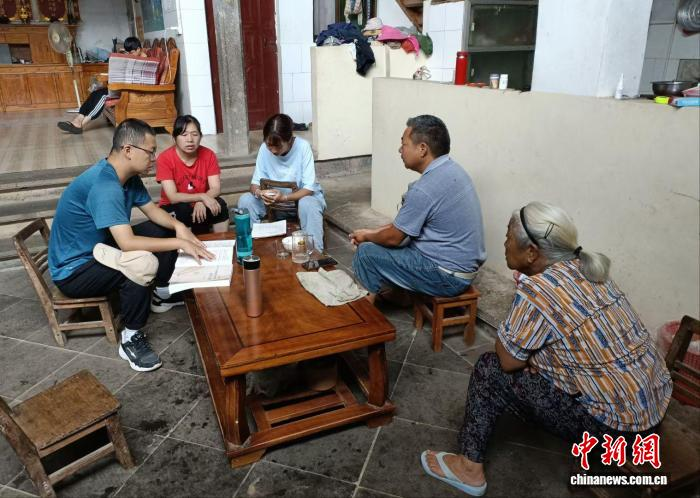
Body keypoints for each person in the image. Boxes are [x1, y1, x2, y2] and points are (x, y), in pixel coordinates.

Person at [420, 202, 673, 496]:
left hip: (618, 430)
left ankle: (468, 469)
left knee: (490, 370)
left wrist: (530, 356)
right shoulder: (590, 268)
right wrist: (538, 358)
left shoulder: (538, 290)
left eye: (508, 237)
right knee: (533, 355)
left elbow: (508, 360)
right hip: (654, 404)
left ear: (531, 253)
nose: (504, 243)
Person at [48, 119, 214, 372]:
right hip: (75, 269)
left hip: (102, 248)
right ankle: (131, 337)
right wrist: (180, 242)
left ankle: (161, 294)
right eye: (150, 152)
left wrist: (179, 226)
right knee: (139, 264)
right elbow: (127, 243)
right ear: (128, 150)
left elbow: (153, 212)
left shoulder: (128, 177)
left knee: (162, 228)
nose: (154, 159)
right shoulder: (105, 186)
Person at [350, 114, 486, 303]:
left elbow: (393, 238)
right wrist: (370, 232)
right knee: (397, 240)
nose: (400, 150)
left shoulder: (425, 189)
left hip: (447, 276)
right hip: (462, 269)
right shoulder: (452, 170)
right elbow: (402, 228)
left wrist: (366, 237)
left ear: (422, 149)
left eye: (404, 144)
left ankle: (365, 314)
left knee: (366, 253)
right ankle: (400, 295)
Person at [237, 113, 326, 250]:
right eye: (269, 145)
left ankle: (315, 253)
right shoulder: (264, 149)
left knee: (309, 203)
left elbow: (309, 189)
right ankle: (251, 248)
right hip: (273, 203)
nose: (273, 150)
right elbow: (254, 184)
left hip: (299, 201)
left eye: (278, 146)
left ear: (289, 139)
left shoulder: (303, 147)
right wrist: (260, 193)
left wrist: (284, 197)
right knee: (246, 200)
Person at [57, 36, 148, 135]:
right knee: (95, 93)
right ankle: (78, 119)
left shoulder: (144, 60)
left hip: (130, 90)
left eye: (132, 52)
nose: (130, 55)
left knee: (103, 96)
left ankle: (81, 124)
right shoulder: (134, 57)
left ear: (138, 49)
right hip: (122, 86)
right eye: (128, 52)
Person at [156, 115, 229, 234]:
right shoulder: (165, 158)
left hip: (200, 204)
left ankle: (221, 242)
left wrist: (202, 201)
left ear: (201, 137)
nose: (190, 139)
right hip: (173, 207)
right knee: (185, 210)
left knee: (219, 205)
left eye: (194, 134)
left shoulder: (209, 155)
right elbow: (173, 197)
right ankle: (190, 243)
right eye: (184, 135)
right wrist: (202, 197)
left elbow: (215, 188)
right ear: (174, 138)